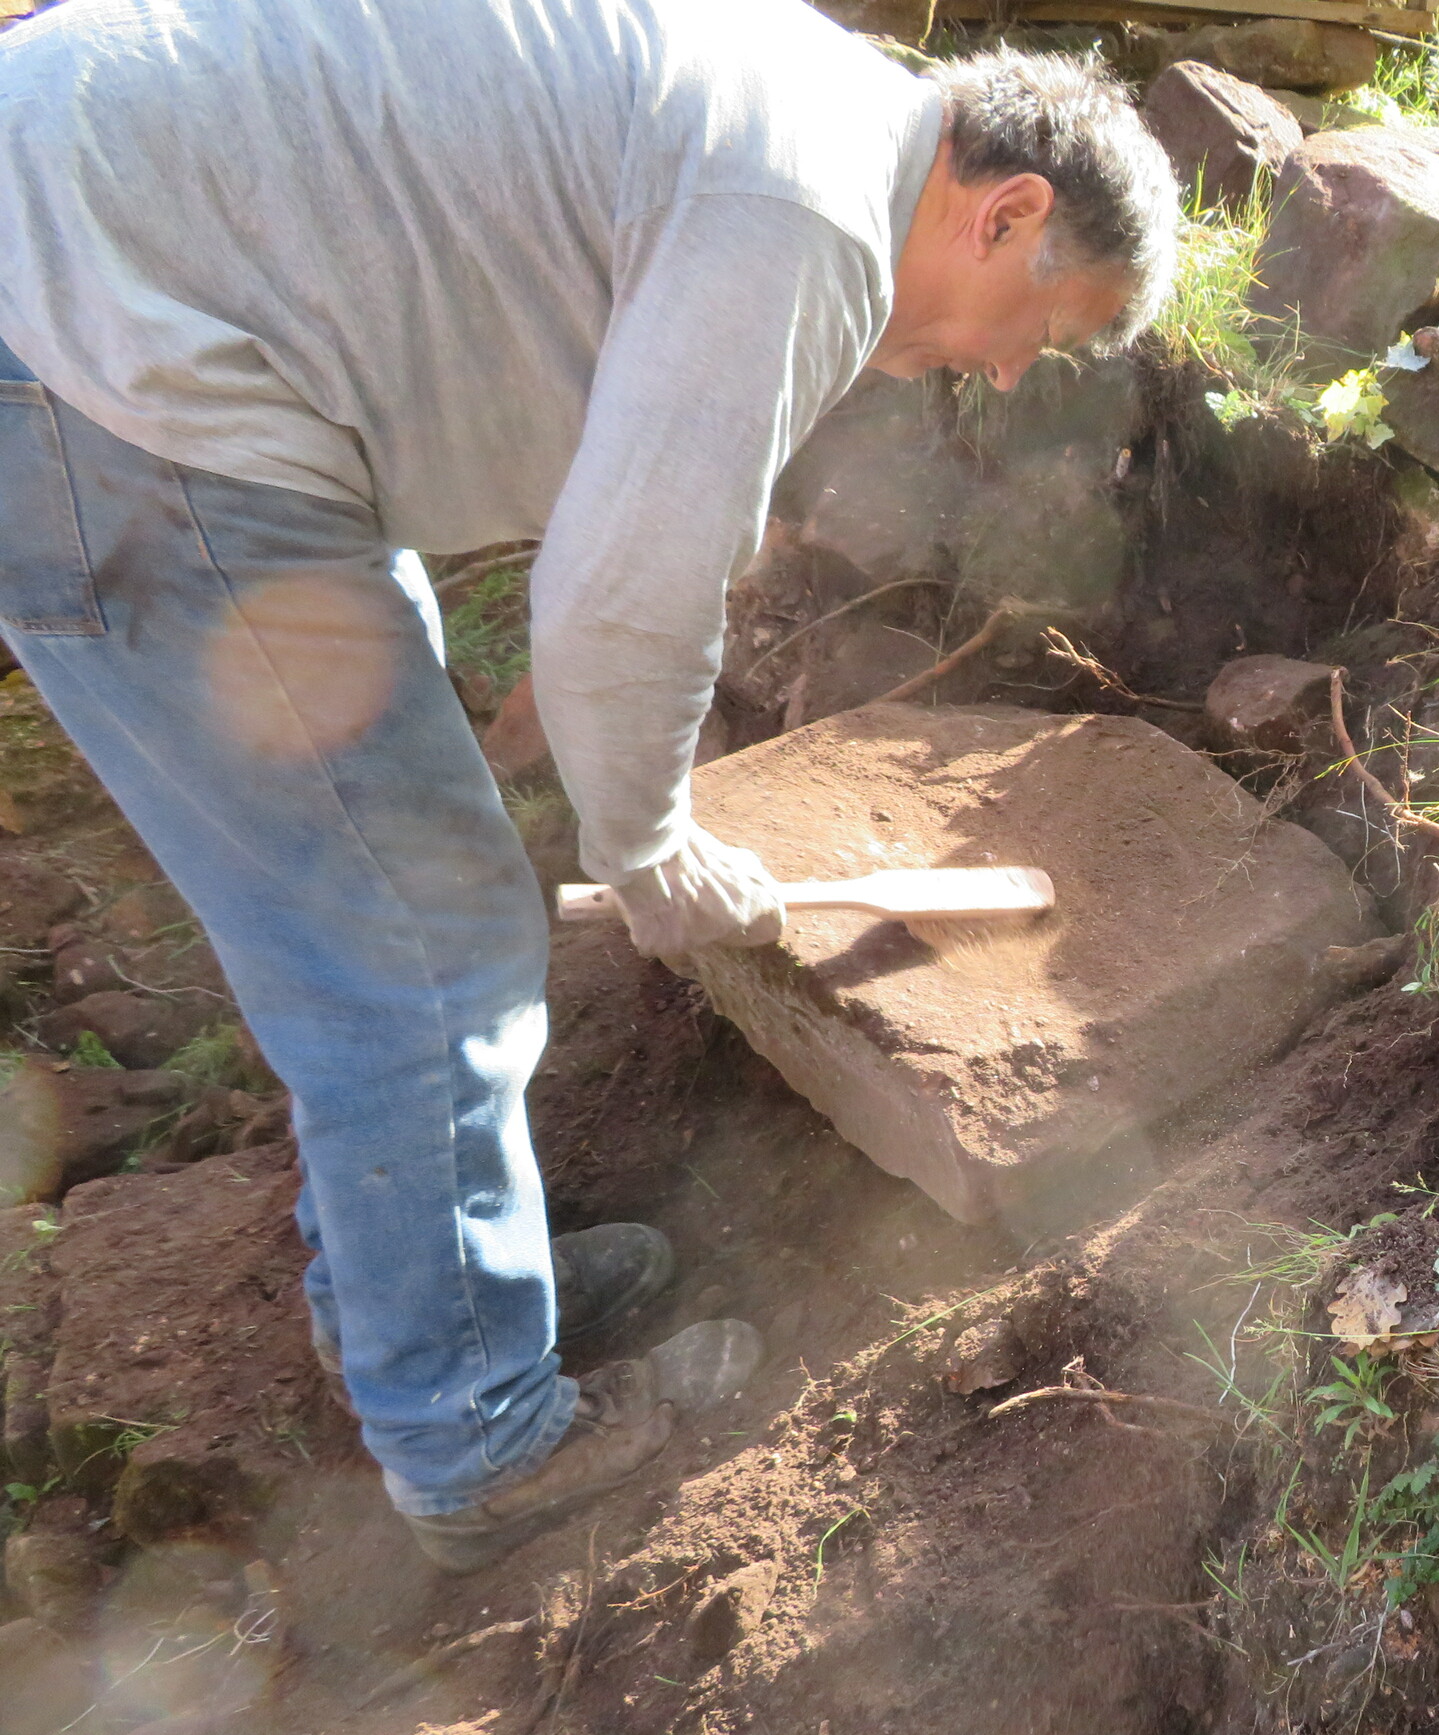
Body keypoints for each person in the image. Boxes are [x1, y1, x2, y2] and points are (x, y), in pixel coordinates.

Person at [0, 0, 1178, 1570]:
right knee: (422, 946)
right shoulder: (807, 214)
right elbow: (619, 608)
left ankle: (429, 1300)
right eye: (1042, 327)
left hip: (118, 296)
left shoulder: (812, 115)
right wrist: (651, 848)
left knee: (398, 909)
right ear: (1006, 211)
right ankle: (474, 1438)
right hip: (101, 361)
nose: (1013, 372)